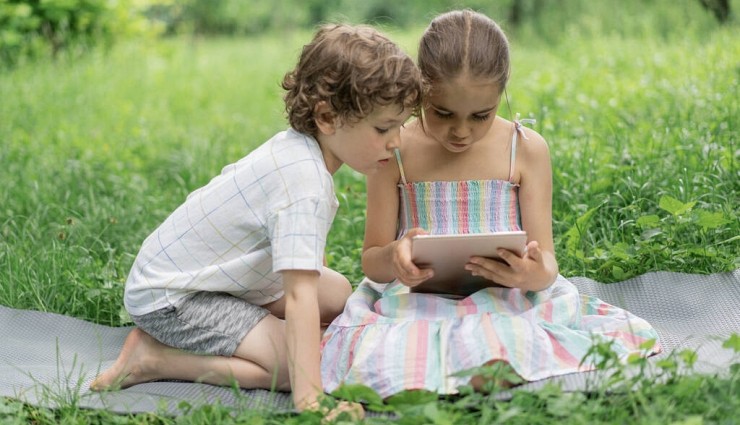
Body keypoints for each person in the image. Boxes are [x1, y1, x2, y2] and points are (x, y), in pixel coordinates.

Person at [320, 10, 661, 398]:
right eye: (442, 113)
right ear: (418, 91)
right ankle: (461, 371)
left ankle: (463, 370)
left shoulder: (525, 149)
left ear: (502, 94)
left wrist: (529, 275)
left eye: (481, 115)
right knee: (387, 346)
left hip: (505, 299)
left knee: (509, 335)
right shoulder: (395, 150)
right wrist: (395, 257)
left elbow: (546, 263)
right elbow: (372, 260)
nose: (461, 131)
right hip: (416, 302)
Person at [89, 23, 423, 416]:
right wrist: (309, 397)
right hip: (172, 299)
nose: (397, 141)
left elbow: (302, 272)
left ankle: (255, 335)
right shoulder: (304, 183)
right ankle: (154, 359)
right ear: (327, 117)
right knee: (301, 365)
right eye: (384, 128)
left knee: (335, 294)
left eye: (400, 126)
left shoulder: (301, 151)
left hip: (211, 276)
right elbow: (299, 296)